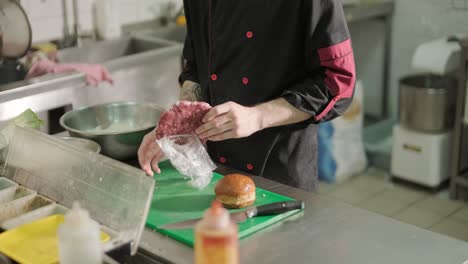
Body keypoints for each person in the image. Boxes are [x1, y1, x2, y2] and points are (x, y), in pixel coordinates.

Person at [138, 0, 356, 192]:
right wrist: (177, 124)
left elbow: (337, 81)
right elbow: (195, 65)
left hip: (277, 171)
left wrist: (257, 117)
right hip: (213, 170)